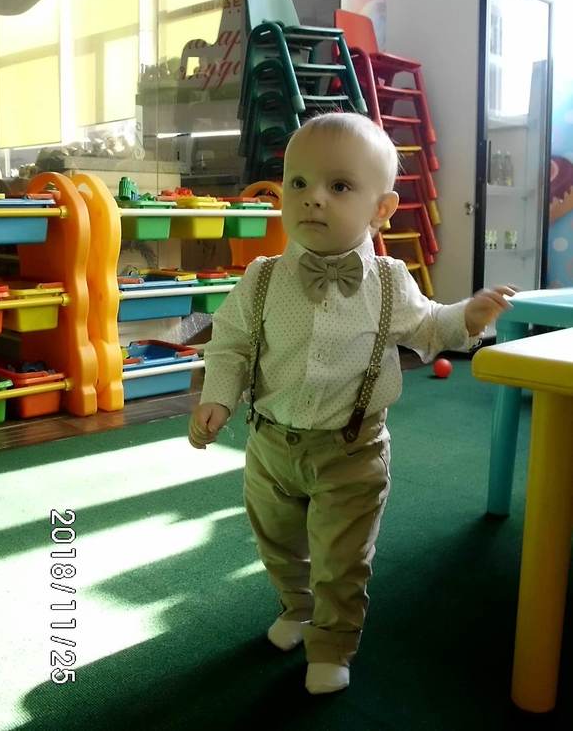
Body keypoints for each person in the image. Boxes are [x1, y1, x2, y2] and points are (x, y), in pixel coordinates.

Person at [188, 112, 514, 695]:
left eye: (339, 186)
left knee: (342, 559)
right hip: (270, 445)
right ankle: (296, 607)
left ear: (381, 210)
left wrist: (467, 315)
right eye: (299, 183)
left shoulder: (389, 280)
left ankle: (333, 643)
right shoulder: (262, 278)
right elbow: (231, 342)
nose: (313, 198)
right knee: (277, 543)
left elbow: (429, 327)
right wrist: (218, 397)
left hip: (352, 450)